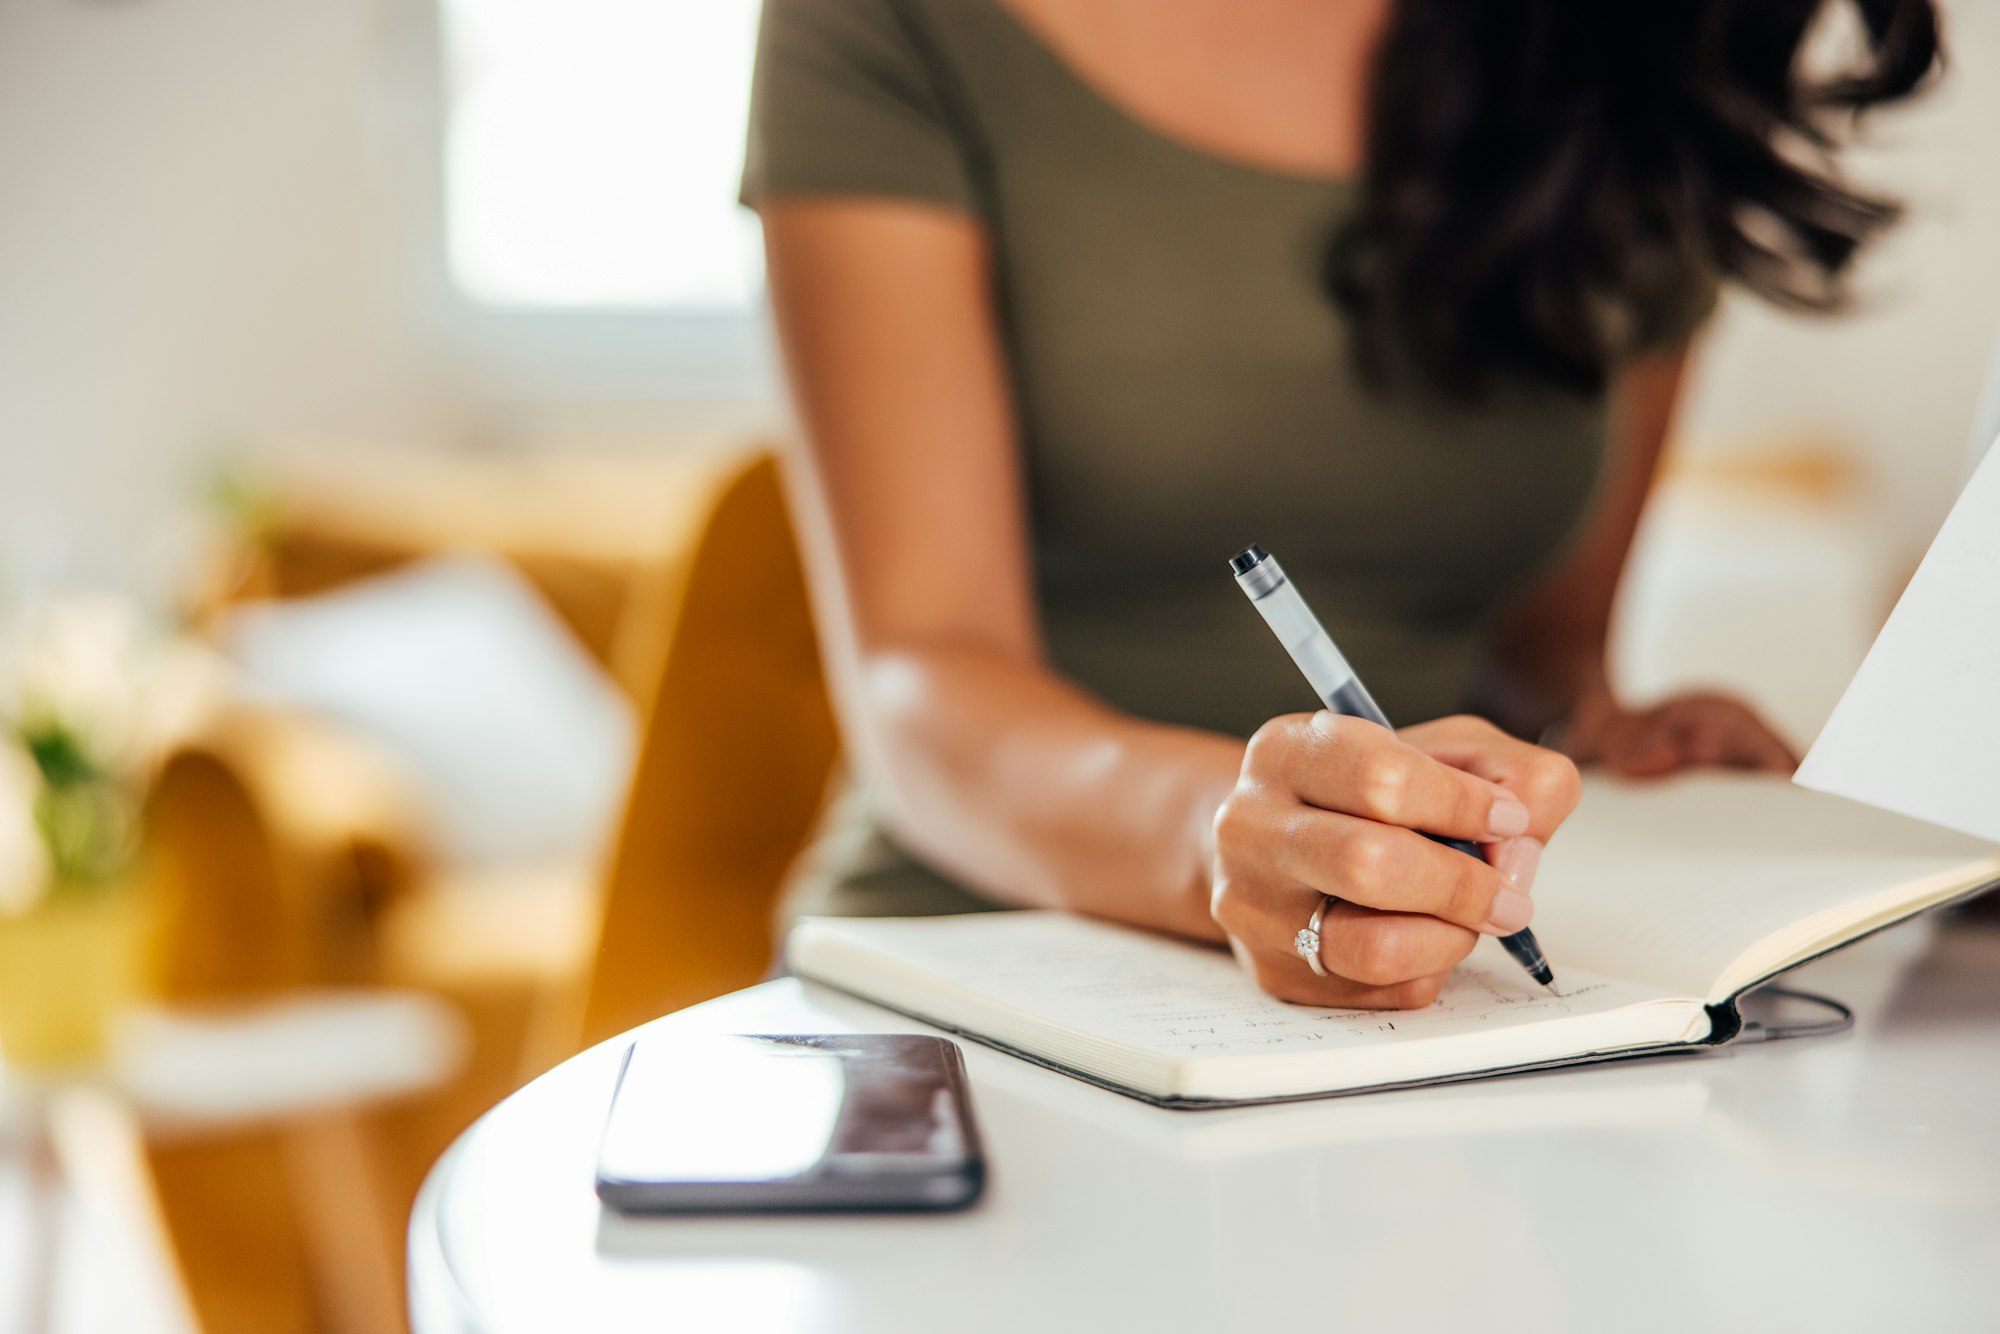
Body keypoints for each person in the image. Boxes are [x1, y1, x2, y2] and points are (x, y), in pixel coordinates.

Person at [740, 0, 1940, 1007]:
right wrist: (1233, 836)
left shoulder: (1640, 38)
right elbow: (921, 674)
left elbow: (1537, 653)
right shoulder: (895, 23)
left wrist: (1600, 739)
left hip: (1434, 983)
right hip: (977, 951)